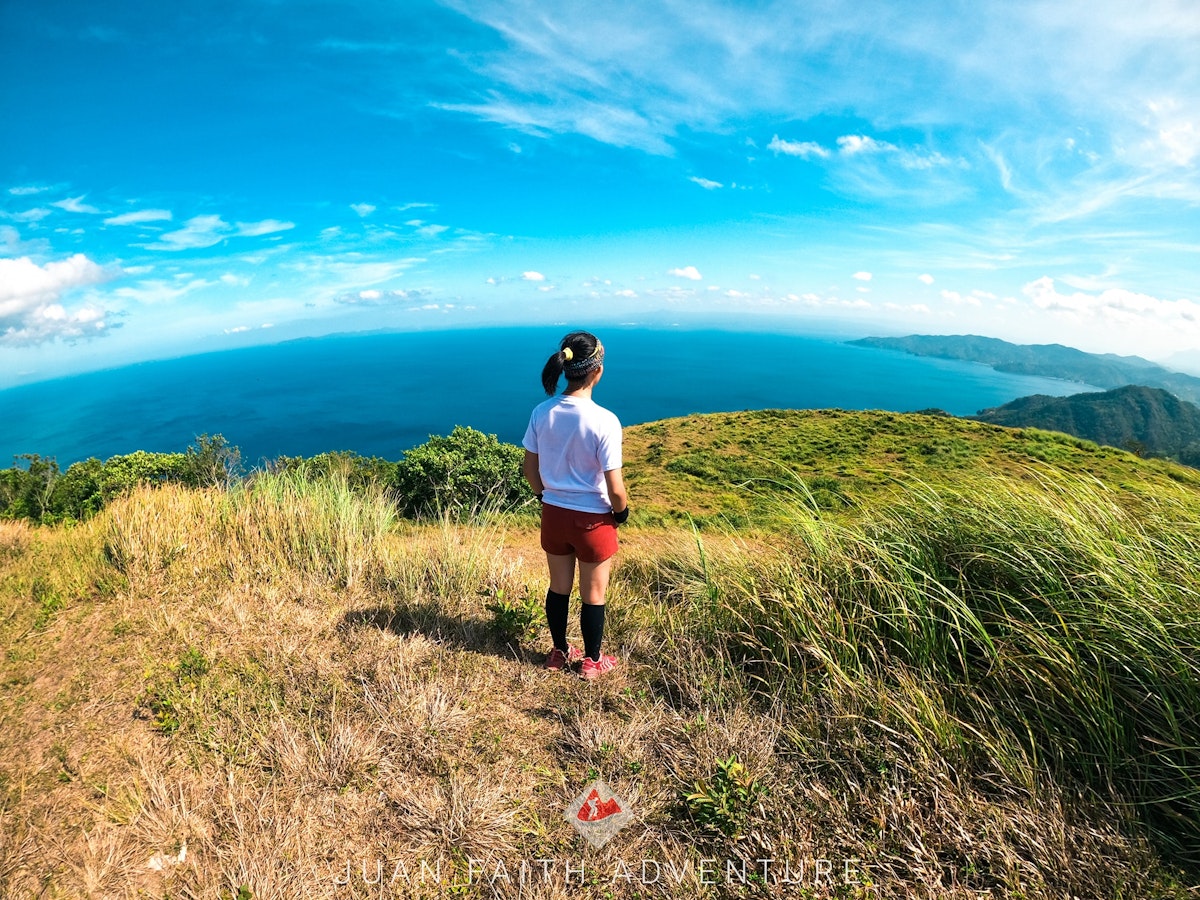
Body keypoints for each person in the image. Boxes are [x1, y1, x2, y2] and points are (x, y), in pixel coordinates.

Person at [522, 331, 629, 680]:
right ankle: (592, 661)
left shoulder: (542, 412)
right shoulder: (604, 420)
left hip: (553, 514)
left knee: (558, 587)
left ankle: (558, 652)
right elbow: (616, 488)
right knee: (593, 594)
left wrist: (544, 496)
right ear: (596, 371)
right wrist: (621, 513)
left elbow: (529, 468)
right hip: (593, 521)